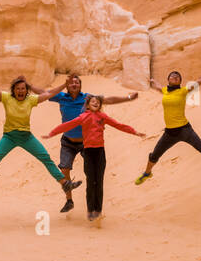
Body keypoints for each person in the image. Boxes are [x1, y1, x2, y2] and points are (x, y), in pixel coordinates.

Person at [0, 64, 83, 200]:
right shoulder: (7, 98)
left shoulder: (30, 100)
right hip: (9, 137)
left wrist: (63, 85)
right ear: (14, 90)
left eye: (23, 89)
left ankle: (65, 184)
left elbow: (49, 93)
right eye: (18, 89)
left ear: (26, 90)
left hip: (26, 137)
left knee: (45, 158)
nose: (20, 91)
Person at [30, 73, 138, 213]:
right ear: (67, 85)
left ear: (80, 85)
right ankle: (69, 200)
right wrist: (29, 86)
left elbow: (108, 100)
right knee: (64, 169)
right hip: (68, 142)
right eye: (71, 82)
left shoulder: (87, 98)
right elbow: (45, 93)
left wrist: (128, 98)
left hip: (86, 143)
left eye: (77, 82)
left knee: (91, 174)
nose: (74, 84)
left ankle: (93, 205)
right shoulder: (61, 97)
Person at [136, 57, 201, 185]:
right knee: (154, 155)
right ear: (168, 80)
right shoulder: (165, 91)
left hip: (185, 130)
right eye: (172, 75)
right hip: (169, 133)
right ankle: (147, 173)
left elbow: (200, 79)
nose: (175, 77)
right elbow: (159, 87)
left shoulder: (183, 91)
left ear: (180, 81)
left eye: (178, 76)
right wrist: (153, 80)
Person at [45, 95, 145, 222]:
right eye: (93, 101)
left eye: (98, 102)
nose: (95, 103)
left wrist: (134, 132)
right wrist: (51, 133)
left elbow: (118, 125)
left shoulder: (102, 117)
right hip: (88, 152)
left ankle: (98, 210)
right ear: (87, 105)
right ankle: (90, 210)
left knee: (99, 181)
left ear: (100, 105)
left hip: (99, 152)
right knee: (91, 181)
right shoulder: (83, 117)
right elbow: (66, 126)